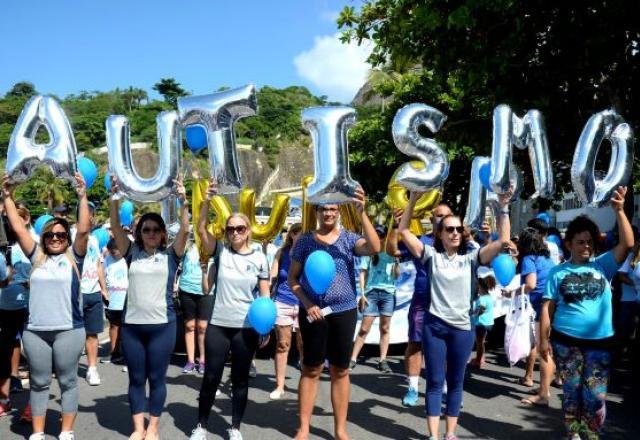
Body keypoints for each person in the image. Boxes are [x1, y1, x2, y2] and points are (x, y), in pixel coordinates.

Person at [398, 188, 512, 440]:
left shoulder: (472, 257)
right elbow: (404, 232)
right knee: (436, 382)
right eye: (449, 229)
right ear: (439, 233)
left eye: (458, 229)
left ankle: (450, 433)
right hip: (434, 329)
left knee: (456, 382)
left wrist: (504, 207)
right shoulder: (430, 255)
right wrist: (413, 201)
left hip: (462, 330)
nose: (454, 233)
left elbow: (503, 241)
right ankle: (434, 435)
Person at [540, 187, 633, 440]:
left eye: (590, 242)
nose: (586, 246)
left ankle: (591, 432)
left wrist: (620, 211)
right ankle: (575, 434)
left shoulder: (603, 265)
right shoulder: (557, 272)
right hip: (566, 342)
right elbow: (548, 307)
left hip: (600, 343)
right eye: (580, 242)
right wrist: (543, 340)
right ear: (568, 244)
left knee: (595, 396)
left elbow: (628, 243)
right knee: (572, 392)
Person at [288, 188, 380, 440]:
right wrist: (307, 303)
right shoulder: (305, 241)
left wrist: (362, 214)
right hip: (313, 313)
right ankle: (303, 428)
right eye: (323, 209)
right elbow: (292, 279)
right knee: (311, 369)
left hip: (344, 312)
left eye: (332, 209)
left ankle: (340, 429)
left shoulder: (349, 239)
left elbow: (374, 247)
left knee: (340, 370)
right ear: (316, 212)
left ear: (339, 212)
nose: (328, 212)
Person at [3, 172, 90, 440]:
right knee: (39, 383)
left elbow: (84, 229)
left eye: (61, 234)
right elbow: (18, 228)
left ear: (67, 237)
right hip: (36, 331)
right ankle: (38, 433)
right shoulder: (36, 255)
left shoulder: (75, 257)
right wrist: (7, 195)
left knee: (67, 382)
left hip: (69, 330)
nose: (55, 238)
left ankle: (66, 431)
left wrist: (82, 195)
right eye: (50, 234)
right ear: (43, 237)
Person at [189, 179, 271, 440]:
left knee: (240, 380)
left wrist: (265, 326)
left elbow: (265, 295)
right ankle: (201, 426)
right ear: (226, 233)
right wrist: (207, 202)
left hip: (246, 328)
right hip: (219, 326)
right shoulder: (221, 252)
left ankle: (235, 428)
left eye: (240, 228)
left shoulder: (259, 257)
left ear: (248, 231)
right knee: (211, 377)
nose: (235, 232)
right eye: (231, 229)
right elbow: (200, 229)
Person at [109, 176, 190, 440]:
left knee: (156, 380)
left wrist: (183, 202)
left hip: (162, 327)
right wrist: (114, 198)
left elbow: (186, 232)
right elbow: (115, 228)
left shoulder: (170, 256)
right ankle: (137, 429)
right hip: (132, 328)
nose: (152, 233)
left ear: (163, 233)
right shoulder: (131, 253)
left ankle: (152, 428)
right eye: (146, 229)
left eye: (156, 229)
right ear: (139, 233)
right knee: (135, 379)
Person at [515, 227, 557, 406]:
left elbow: (531, 284)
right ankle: (545, 386)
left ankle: (544, 393)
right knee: (548, 348)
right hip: (554, 303)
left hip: (542, 306)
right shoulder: (547, 258)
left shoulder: (528, 258)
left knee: (543, 349)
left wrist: (513, 293)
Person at [350, 224, 399, 373]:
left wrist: (396, 262)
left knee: (385, 328)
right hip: (372, 293)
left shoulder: (392, 252)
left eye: (382, 235)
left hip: (388, 293)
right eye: (376, 235)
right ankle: (353, 358)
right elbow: (363, 273)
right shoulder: (369, 252)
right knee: (364, 328)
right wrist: (363, 294)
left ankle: (383, 360)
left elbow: (397, 275)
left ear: (386, 236)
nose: (379, 237)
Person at [0, 202, 32, 416]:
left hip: (30, 305)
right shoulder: (5, 247)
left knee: (33, 350)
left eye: (16, 218)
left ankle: (33, 405)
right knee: (7, 347)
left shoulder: (34, 243)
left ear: (25, 220)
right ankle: (7, 392)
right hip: (5, 306)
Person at [269, 223, 304, 400]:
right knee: (283, 345)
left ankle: (305, 386)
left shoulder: (310, 252)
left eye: (301, 232)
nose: (297, 235)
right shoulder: (281, 253)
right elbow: (271, 277)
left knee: (303, 345)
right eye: (295, 232)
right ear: (290, 235)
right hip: (282, 301)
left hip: (305, 303)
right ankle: (280, 385)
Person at [77, 202, 107, 386]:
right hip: (76, 293)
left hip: (93, 291)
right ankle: (67, 367)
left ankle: (92, 369)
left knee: (92, 333)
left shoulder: (95, 239)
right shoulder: (71, 235)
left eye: (91, 214)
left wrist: (103, 288)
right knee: (73, 333)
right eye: (86, 213)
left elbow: (98, 265)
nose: (89, 217)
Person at [179, 238, 213, 375]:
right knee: (189, 326)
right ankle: (191, 360)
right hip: (186, 289)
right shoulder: (188, 244)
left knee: (203, 327)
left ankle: (203, 360)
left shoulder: (212, 245)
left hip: (206, 291)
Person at [102, 238, 129, 365]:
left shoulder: (127, 259)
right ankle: (114, 352)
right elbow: (102, 275)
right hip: (112, 299)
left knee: (127, 327)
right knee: (114, 325)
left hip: (126, 298)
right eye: (111, 252)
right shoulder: (107, 260)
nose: (113, 254)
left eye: (116, 251)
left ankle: (128, 353)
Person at [469, 272, 496, 369]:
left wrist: (473, 315)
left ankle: (478, 360)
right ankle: (480, 358)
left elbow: (482, 309)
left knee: (480, 343)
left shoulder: (483, 298)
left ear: (481, 286)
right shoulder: (488, 296)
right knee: (481, 342)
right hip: (487, 323)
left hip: (481, 324)